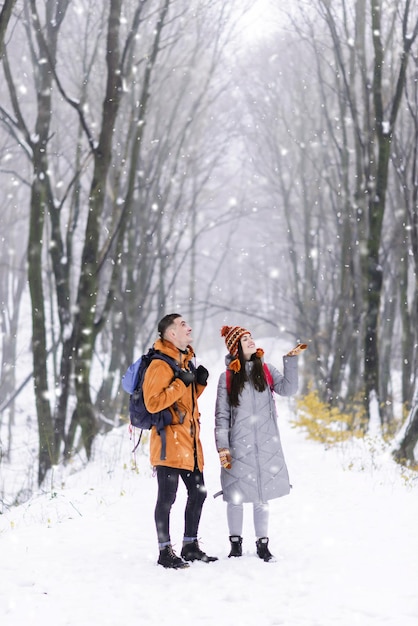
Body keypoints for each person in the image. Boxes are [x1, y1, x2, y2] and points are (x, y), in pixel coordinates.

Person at [214, 324, 307, 562]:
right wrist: (223, 447)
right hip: (238, 446)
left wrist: (291, 361)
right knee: (235, 496)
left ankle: (262, 545)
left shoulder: (265, 369)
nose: (251, 341)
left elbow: (288, 389)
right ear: (236, 347)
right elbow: (221, 416)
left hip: (265, 444)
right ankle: (235, 545)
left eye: (251, 337)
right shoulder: (226, 378)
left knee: (261, 495)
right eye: (245, 339)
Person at [143, 313, 218, 569]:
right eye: (183, 324)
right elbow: (152, 404)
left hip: (190, 442)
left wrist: (198, 385)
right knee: (167, 499)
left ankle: (190, 546)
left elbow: (182, 402)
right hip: (168, 443)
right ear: (171, 334)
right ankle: (165, 552)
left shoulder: (184, 362)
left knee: (198, 493)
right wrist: (178, 384)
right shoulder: (160, 365)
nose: (189, 327)